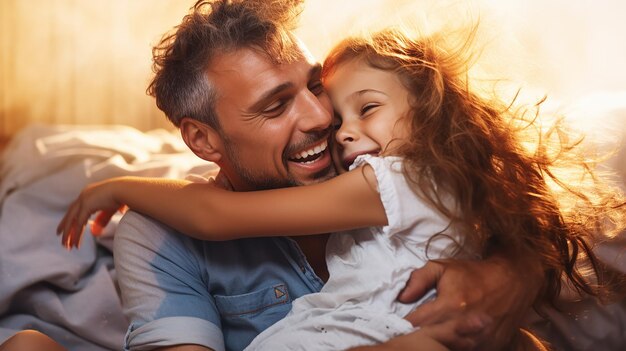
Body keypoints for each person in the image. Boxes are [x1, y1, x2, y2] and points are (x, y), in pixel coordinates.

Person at [2, 1, 552, 350]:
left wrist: (513, 270)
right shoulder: (156, 235)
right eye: (274, 106)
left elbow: (522, 212)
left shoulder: (378, 161)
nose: (322, 120)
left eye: (316, 86)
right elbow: (209, 215)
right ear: (203, 141)